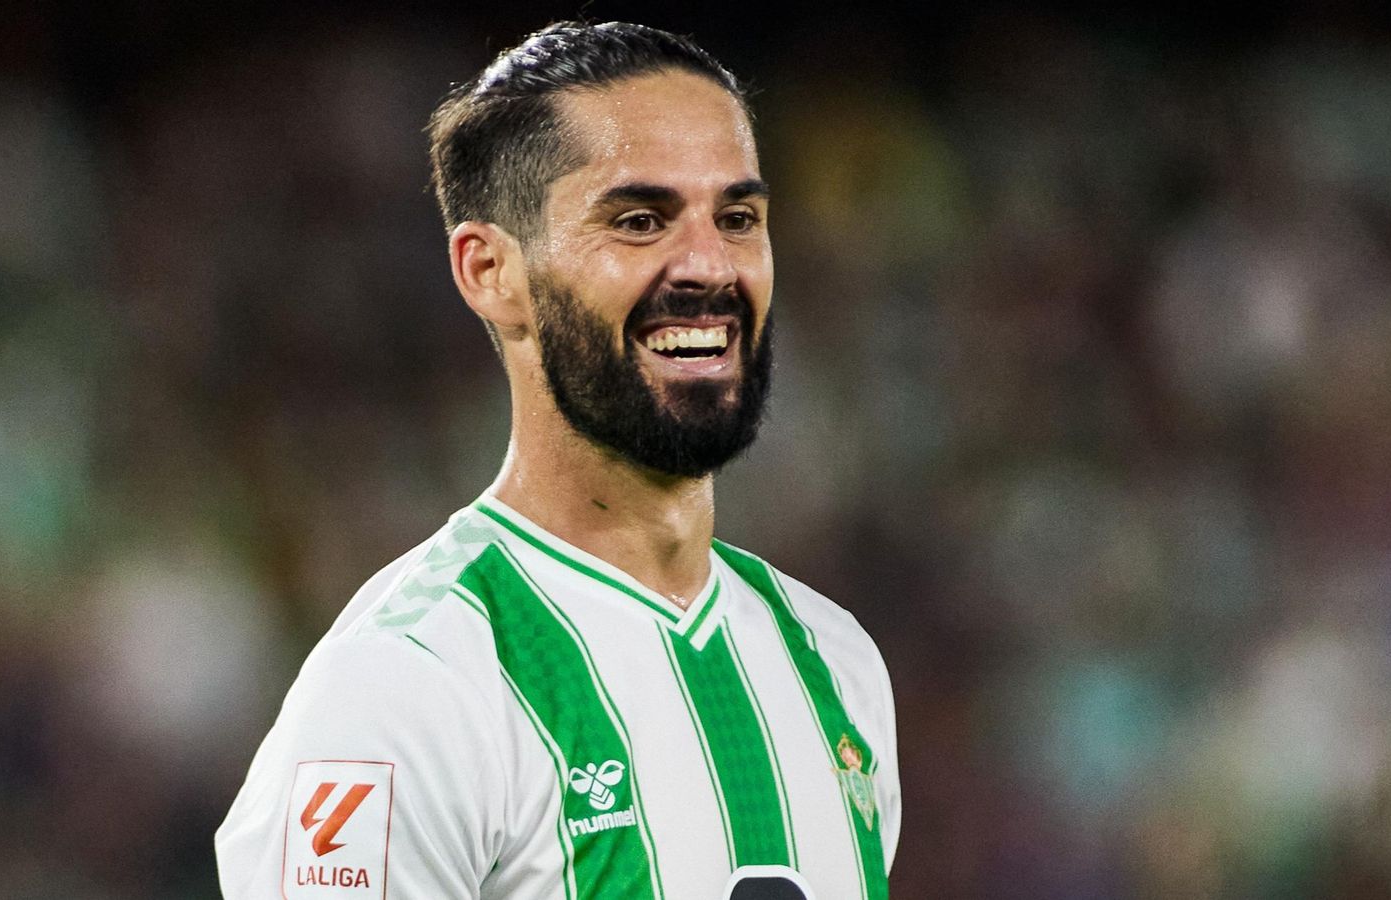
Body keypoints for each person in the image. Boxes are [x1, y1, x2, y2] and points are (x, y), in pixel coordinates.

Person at [216, 21, 899, 900]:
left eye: (737, 218)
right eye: (641, 220)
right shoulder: (409, 685)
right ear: (490, 271)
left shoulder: (833, 665)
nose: (707, 264)